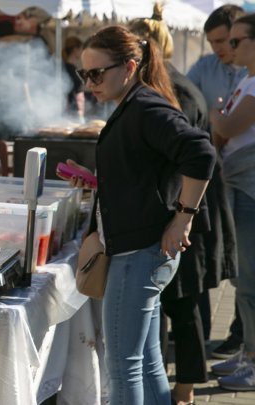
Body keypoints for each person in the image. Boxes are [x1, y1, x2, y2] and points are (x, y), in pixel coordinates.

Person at [61, 26, 216, 404]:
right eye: (85, 74)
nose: (89, 83)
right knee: (146, 362)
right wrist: (103, 182)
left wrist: (183, 218)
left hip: (140, 253)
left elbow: (201, 152)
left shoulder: (145, 107)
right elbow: (147, 169)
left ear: (129, 67)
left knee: (124, 365)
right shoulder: (134, 105)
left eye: (97, 73)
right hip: (142, 249)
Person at [129, 6, 238, 404]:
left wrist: (181, 215)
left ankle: (186, 391)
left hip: (184, 213)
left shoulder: (169, 91)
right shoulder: (165, 86)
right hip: (182, 210)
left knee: (183, 304)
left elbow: (195, 155)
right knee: (177, 304)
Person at [187, 4, 247, 360]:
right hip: (214, 175)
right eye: (213, 43)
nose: (221, 49)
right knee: (227, 256)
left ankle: (241, 334)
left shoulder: (250, 70)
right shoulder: (205, 68)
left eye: (225, 41)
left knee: (247, 266)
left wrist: (218, 122)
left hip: (243, 176)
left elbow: (225, 124)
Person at [209, 13, 255, 392]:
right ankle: (249, 354)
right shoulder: (247, 79)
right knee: (243, 283)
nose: (230, 47)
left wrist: (215, 113)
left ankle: (254, 361)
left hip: (249, 191)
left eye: (237, 41)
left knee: (250, 282)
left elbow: (226, 127)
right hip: (239, 187)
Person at [62, 36, 85, 122]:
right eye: (80, 49)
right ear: (75, 49)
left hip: (72, 111)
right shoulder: (70, 70)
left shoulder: (66, 68)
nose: (81, 52)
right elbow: (76, 93)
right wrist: (79, 112)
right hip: (72, 112)